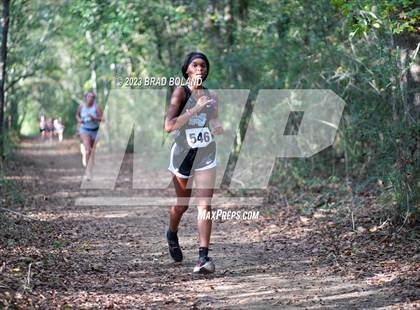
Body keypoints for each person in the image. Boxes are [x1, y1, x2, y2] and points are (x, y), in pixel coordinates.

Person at [164, 52, 223, 274]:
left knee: (205, 206)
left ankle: (203, 257)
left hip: (206, 152)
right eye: (195, 65)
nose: (200, 68)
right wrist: (194, 110)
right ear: (187, 69)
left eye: (203, 66)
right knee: (182, 205)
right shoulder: (180, 92)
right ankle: (172, 232)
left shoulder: (212, 94)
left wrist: (217, 125)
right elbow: (169, 126)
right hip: (183, 154)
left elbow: (214, 117)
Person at [76, 92, 104, 180]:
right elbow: (77, 115)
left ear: (94, 99)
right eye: (88, 97)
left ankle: (91, 169)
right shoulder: (81, 106)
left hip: (95, 131)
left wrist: (94, 118)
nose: (90, 99)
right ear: (85, 98)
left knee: (92, 153)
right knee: (88, 151)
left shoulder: (96, 107)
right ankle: (88, 172)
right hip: (84, 130)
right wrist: (80, 120)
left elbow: (103, 119)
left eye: (92, 97)